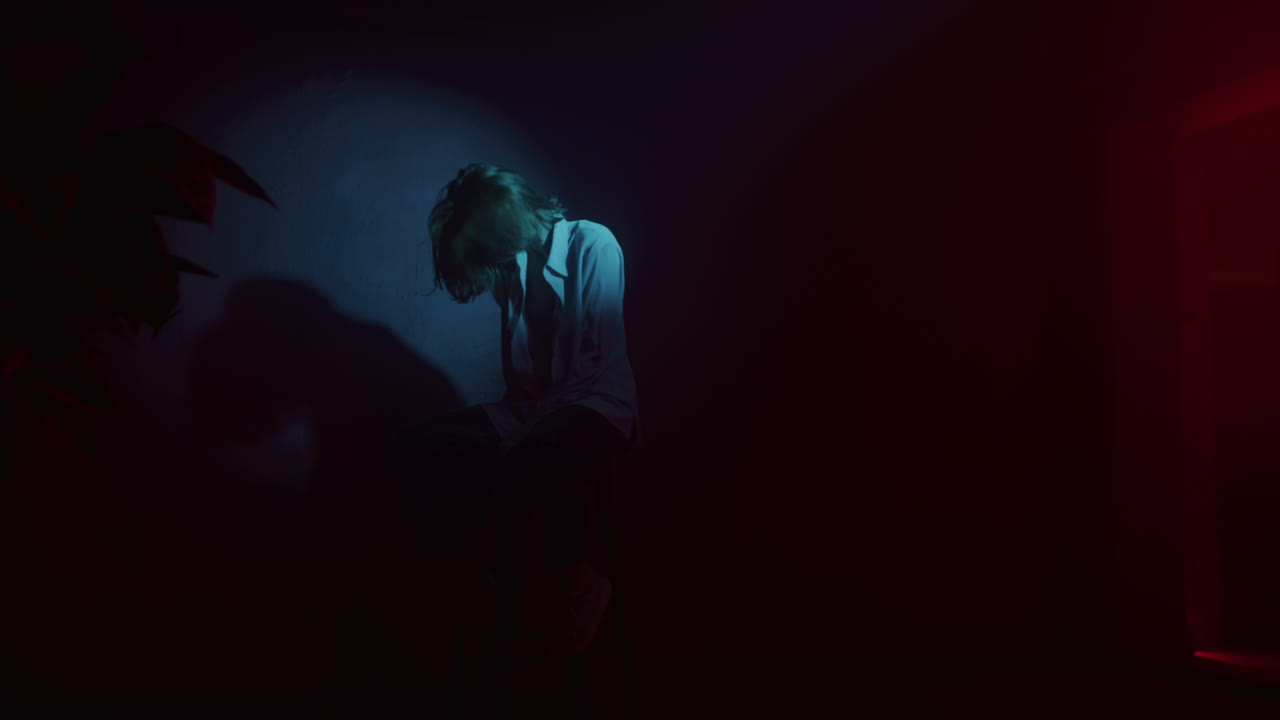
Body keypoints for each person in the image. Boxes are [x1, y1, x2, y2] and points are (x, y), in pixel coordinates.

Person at [394, 163, 640, 660]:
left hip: (597, 406)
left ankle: (580, 582)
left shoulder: (593, 245)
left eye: (486, 242)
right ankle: (474, 578)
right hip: (531, 410)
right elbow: (522, 379)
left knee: (542, 449)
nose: (487, 258)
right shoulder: (514, 269)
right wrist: (517, 425)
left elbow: (590, 370)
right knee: (419, 443)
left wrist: (525, 432)